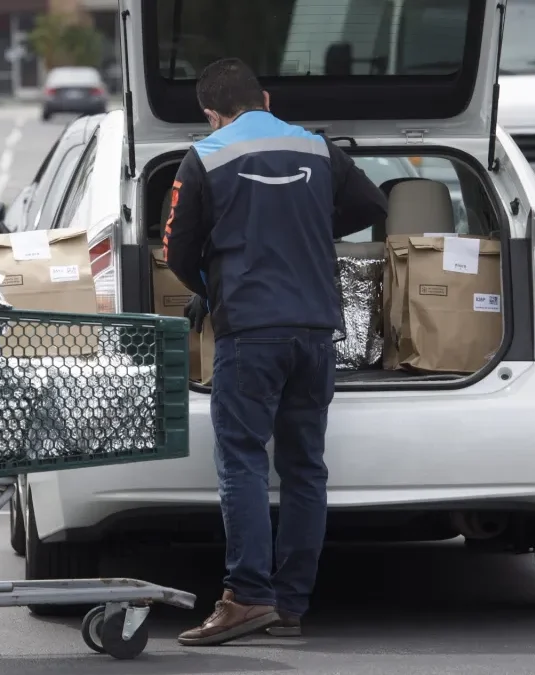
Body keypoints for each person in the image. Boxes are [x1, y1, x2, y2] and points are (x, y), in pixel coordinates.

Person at [163, 57, 389, 646]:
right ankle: (291, 603)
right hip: (316, 329)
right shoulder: (318, 149)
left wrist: (210, 290)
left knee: (241, 460)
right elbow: (372, 207)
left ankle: (247, 598)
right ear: (265, 97)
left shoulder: (206, 156)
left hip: (250, 331)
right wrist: (307, 223)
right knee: (305, 467)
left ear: (211, 113)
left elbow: (178, 250)